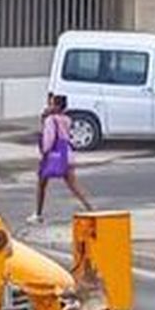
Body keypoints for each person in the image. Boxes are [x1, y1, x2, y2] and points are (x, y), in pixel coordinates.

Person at [28, 93, 92, 225]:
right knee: (74, 185)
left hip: (53, 155)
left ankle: (38, 214)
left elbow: (49, 140)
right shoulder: (67, 119)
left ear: (57, 106)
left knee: (41, 185)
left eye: (51, 104)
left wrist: (44, 153)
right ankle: (90, 208)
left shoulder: (50, 120)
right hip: (67, 154)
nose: (49, 106)